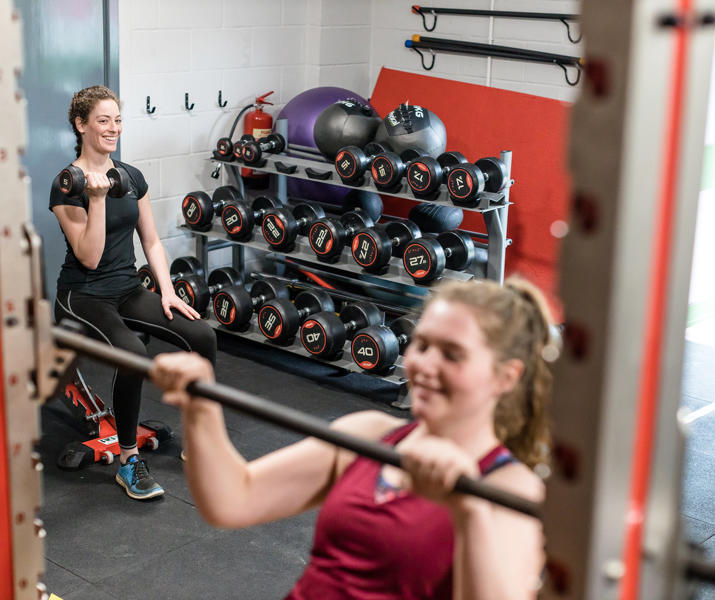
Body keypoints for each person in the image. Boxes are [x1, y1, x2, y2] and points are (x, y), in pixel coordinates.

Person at [150, 277, 555, 598]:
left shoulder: (510, 490)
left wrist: (469, 512)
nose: (426, 365)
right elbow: (234, 499)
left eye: (452, 354)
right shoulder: (369, 435)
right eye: (423, 345)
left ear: (506, 377)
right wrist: (200, 407)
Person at [51, 85, 216, 500]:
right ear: (81, 125)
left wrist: (168, 291)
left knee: (203, 336)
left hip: (127, 287)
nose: (113, 128)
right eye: (103, 120)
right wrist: (96, 199)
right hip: (83, 295)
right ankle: (128, 461)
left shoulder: (131, 176)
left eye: (118, 120)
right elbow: (88, 258)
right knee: (134, 356)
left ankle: (199, 437)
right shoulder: (66, 186)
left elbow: (153, 242)